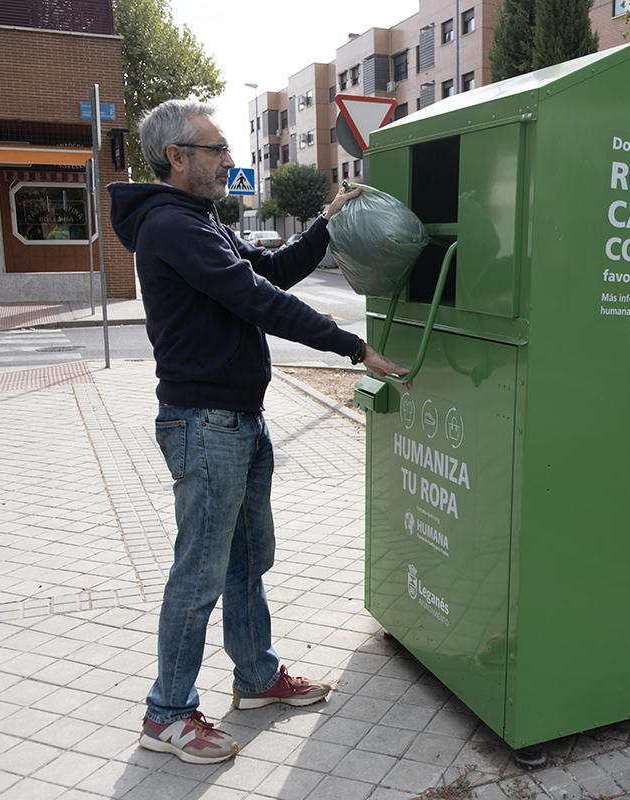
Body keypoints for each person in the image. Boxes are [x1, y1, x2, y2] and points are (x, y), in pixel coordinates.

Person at [108, 99, 408, 764]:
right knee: (200, 574)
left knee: (247, 560)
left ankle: (257, 677)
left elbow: (267, 271)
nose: (228, 161)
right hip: (206, 423)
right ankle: (168, 714)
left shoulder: (198, 220)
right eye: (215, 150)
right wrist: (351, 347)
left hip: (238, 419)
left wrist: (325, 227)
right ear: (177, 158)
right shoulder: (171, 225)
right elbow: (257, 300)